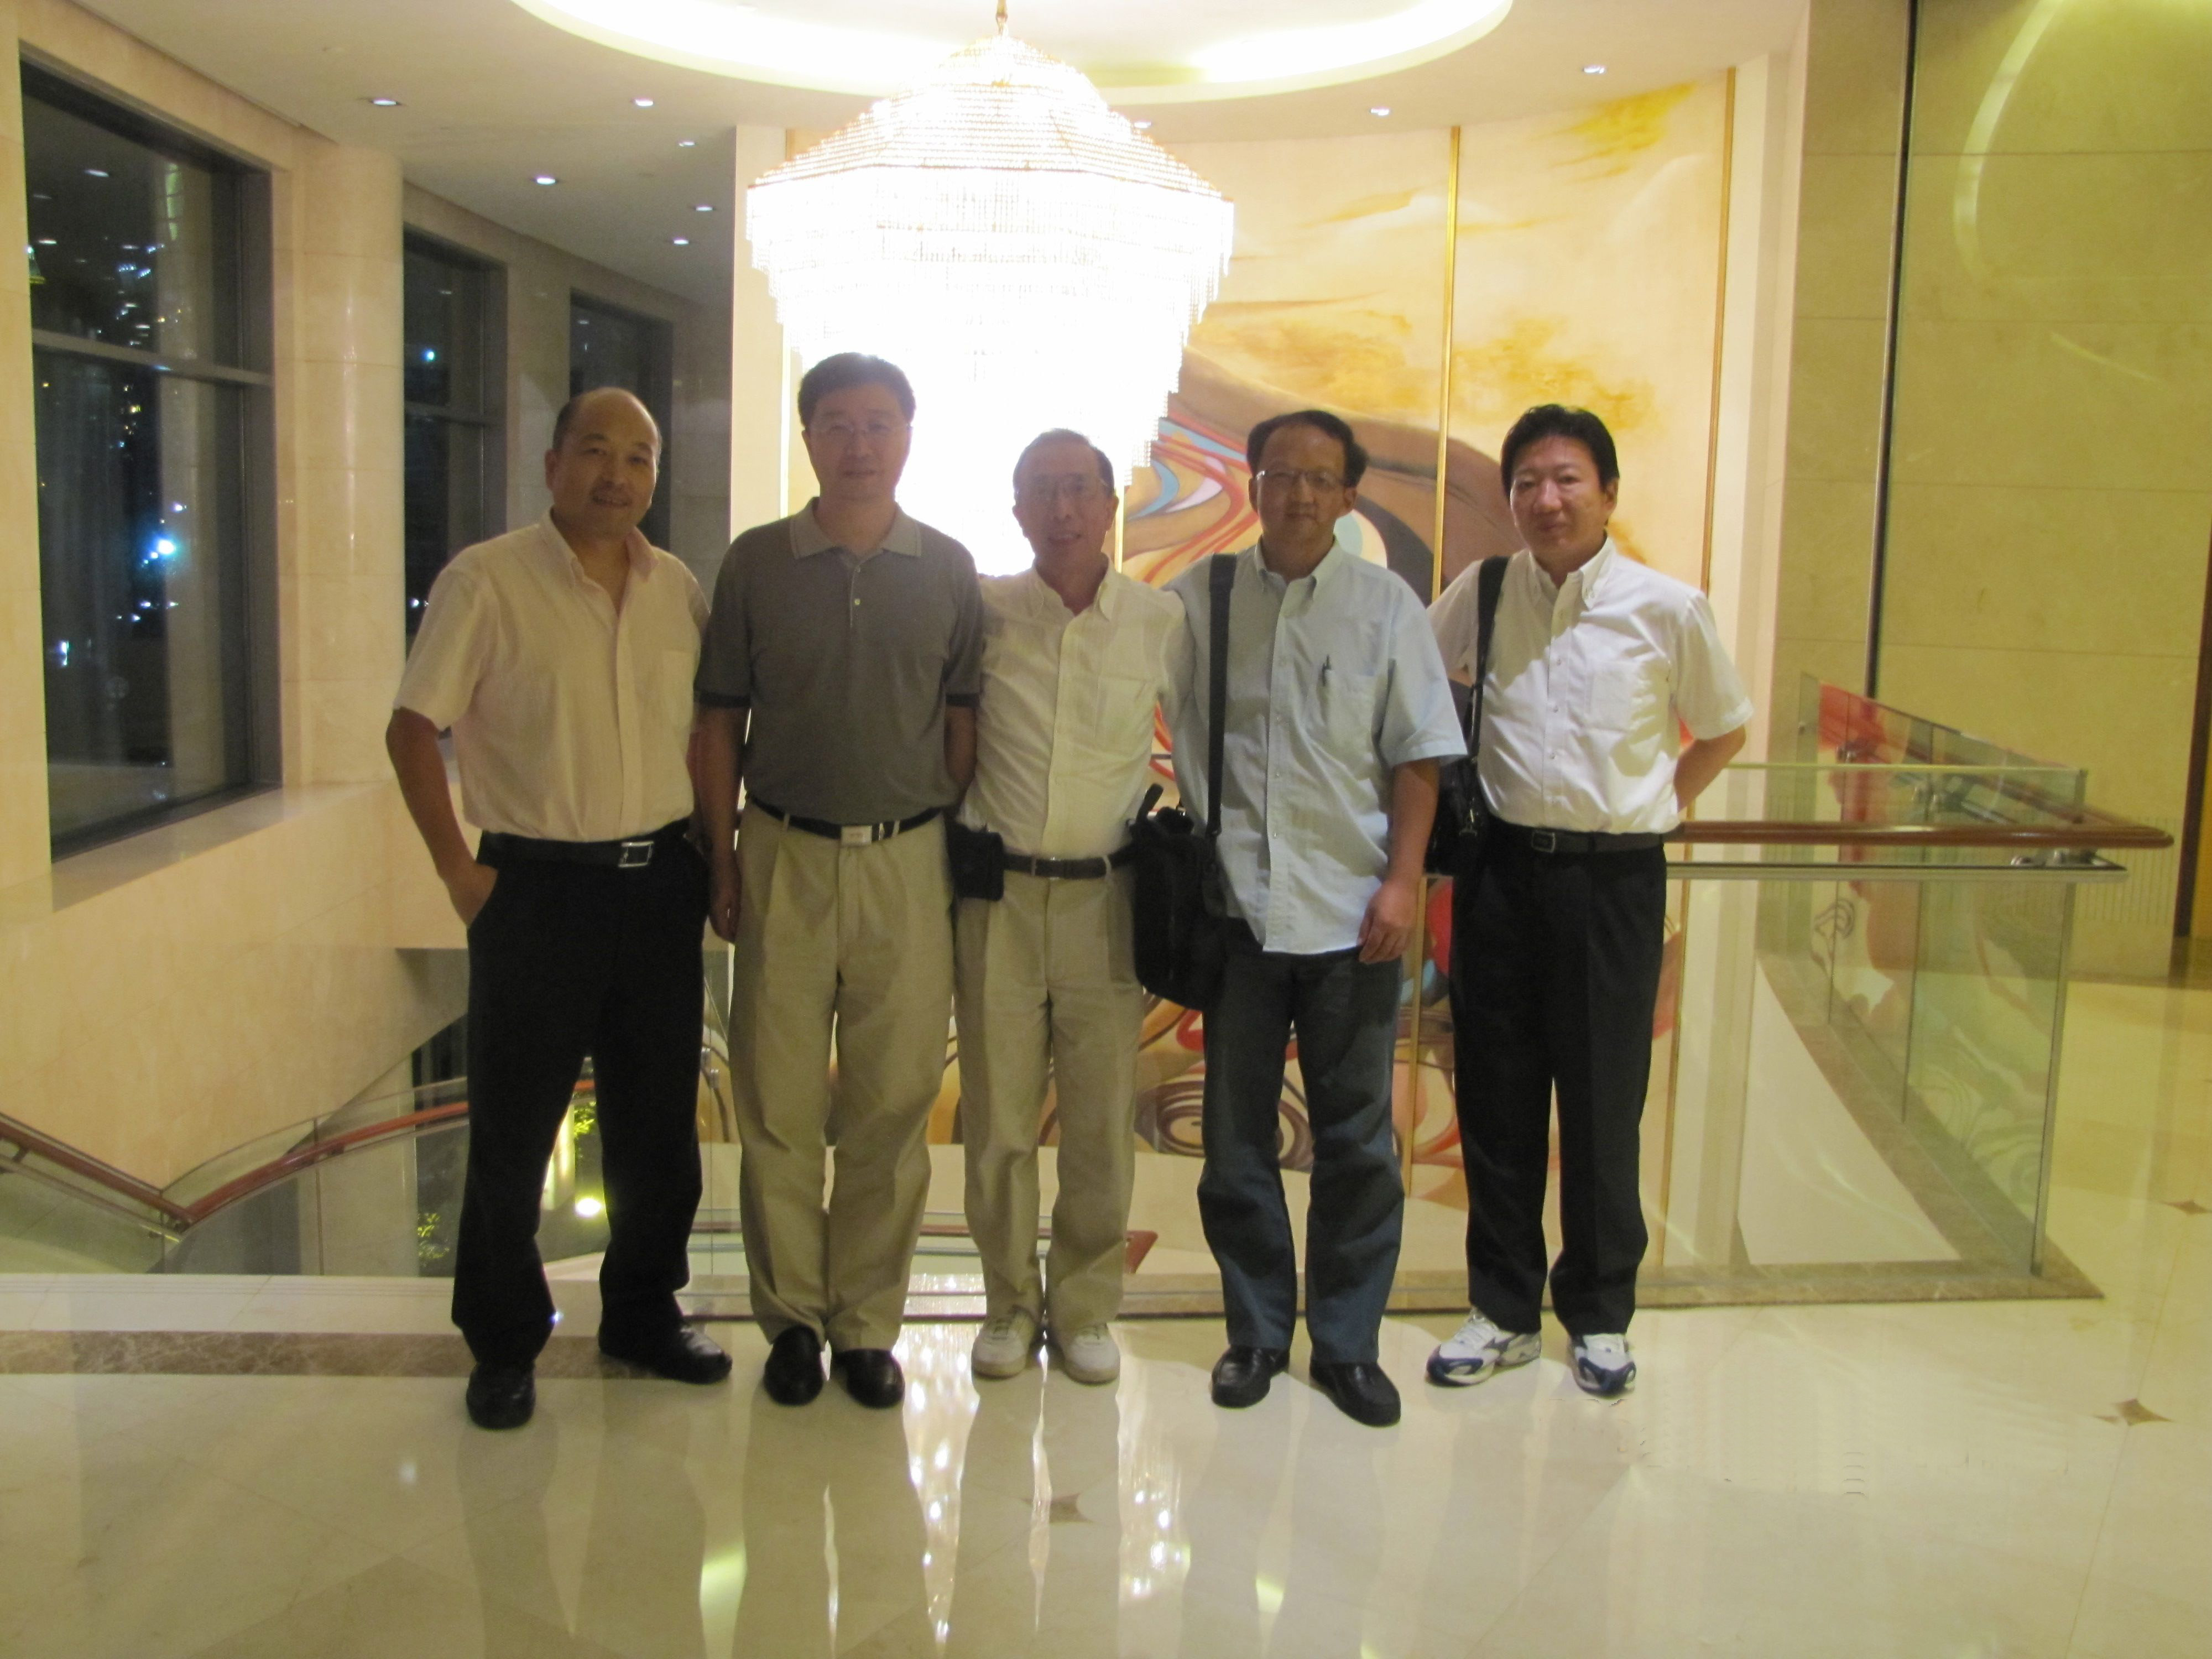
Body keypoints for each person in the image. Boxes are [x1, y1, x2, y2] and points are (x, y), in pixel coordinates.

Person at [388, 387, 730, 1432]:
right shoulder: (486, 580)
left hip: (658, 885)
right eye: (595, 450)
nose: (616, 475)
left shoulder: (676, 590)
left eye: (639, 457)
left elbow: (702, 739)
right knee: (514, 1128)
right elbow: (412, 728)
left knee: (657, 1123)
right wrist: (460, 874)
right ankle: (503, 1343)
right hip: (534, 891)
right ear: (551, 465)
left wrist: (716, 863)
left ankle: (642, 1312)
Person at [1426, 403, 1751, 1398]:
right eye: (1527, 481)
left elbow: (1725, 727)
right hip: (1500, 877)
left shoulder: (1668, 607)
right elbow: (1420, 693)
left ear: (1608, 492)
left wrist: (1659, 808)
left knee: (1606, 1103)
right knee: (1497, 1098)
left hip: (1614, 883)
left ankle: (1601, 1315)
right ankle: (1502, 1309)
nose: (1546, 499)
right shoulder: (1482, 592)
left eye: (1567, 478)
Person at [695, 352, 983, 1410]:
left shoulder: (947, 567)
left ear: (908, 434)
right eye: (838, 424)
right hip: (782, 850)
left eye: (878, 423)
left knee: (892, 1104)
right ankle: (792, 1324)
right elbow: (719, 720)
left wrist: (929, 828)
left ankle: (865, 1324)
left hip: (908, 860)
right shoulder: (756, 562)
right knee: (774, 1102)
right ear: (808, 435)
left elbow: (963, 723)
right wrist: (721, 853)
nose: (859, 444)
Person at [1165, 408, 1464, 1428]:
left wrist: (1403, 882)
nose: (1298, 494)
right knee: (1236, 1143)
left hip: (1354, 916)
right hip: (1238, 915)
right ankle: (1255, 1335)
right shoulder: (1200, 599)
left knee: (1359, 1146)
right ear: (1252, 485)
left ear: (1348, 495)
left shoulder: (1386, 608)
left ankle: (1346, 1344)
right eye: (1280, 474)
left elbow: (1418, 756)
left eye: (1320, 478)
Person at [955, 429, 1183, 1388]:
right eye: (1042, 490)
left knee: (1096, 1124)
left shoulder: (1159, 619)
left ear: (1109, 506)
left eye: (1080, 489)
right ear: (1016, 509)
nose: (1062, 509)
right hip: (998, 898)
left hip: (1108, 900)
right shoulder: (983, 612)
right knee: (999, 1123)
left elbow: (1200, 744)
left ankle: (1086, 1307)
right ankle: (1009, 1304)